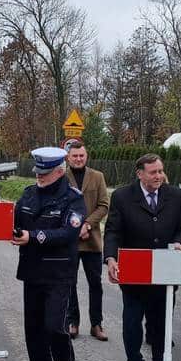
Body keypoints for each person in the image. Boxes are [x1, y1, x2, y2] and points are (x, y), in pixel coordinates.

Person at [103, 153, 181, 361]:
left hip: (165, 269)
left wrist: (180, 243)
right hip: (134, 269)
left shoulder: (176, 195)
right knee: (132, 318)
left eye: (160, 171)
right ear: (140, 174)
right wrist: (111, 259)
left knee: (162, 319)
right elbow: (113, 231)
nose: (159, 176)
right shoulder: (122, 197)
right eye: (153, 172)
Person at [13, 146, 86, 361]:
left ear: (59, 171)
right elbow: (14, 222)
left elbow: (68, 232)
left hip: (58, 272)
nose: (39, 177)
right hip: (32, 272)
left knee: (55, 327)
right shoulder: (29, 194)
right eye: (37, 172)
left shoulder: (73, 198)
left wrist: (32, 236)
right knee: (33, 330)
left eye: (44, 173)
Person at [65, 140, 111, 342]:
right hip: (68, 240)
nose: (78, 159)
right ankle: (72, 321)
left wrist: (87, 225)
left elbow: (103, 205)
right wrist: (75, 228)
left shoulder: (97, 177)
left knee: (95, 284)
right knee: (69, 282)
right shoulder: (61, 177)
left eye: (81, 155)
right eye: (74, 156)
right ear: (68, 157)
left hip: (91, 240)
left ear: (86, 156)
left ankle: (96, 324)